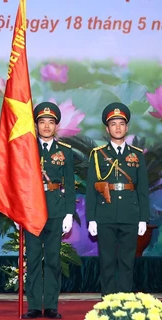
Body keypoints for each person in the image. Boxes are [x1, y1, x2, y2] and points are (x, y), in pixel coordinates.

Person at [86, 102, 149, 296]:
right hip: (105, 214)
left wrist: (143, 218)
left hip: (130, 213)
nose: (118, 127)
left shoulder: (137, 155)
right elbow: (91, 188)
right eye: (113, 124)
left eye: (121, 123)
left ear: (127, 127)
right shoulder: (97, 155)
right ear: (107, 128)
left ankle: (123, 300)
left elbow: (143, 189)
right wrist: (92, 218)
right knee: (107, 260)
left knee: (127, 261)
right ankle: (108, 300)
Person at [20, 102, 76, 319]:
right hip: (31, 209)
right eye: (42, 122)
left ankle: (51, 305)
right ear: (36, 125)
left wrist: (69, 213)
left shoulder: (65, 151)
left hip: (55, 209)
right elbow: (19, 182)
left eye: (50, 122)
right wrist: (19, 211)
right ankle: (34, 305)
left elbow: (70, 184)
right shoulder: (27, 149)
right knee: (33, 258)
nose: (46, 126)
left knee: (52, 259)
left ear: (56, 126)